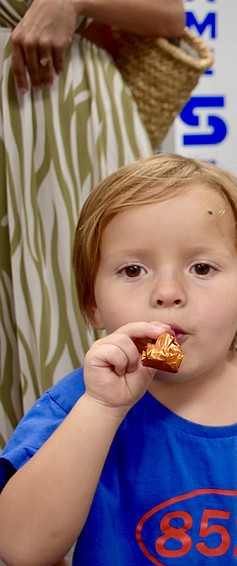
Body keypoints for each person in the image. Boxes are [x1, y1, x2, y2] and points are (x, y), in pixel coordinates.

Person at [0, 154, 237, 565]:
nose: (167, 292)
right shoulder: (80, 403)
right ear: (93, 303)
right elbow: (20, 549)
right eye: (132, 270)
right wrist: (101, 408)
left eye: (201, 267)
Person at [0, 0, 185, 448]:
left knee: (110, 262)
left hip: (70, 107)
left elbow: (171, 14)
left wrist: (71, 2)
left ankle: (151, 449)